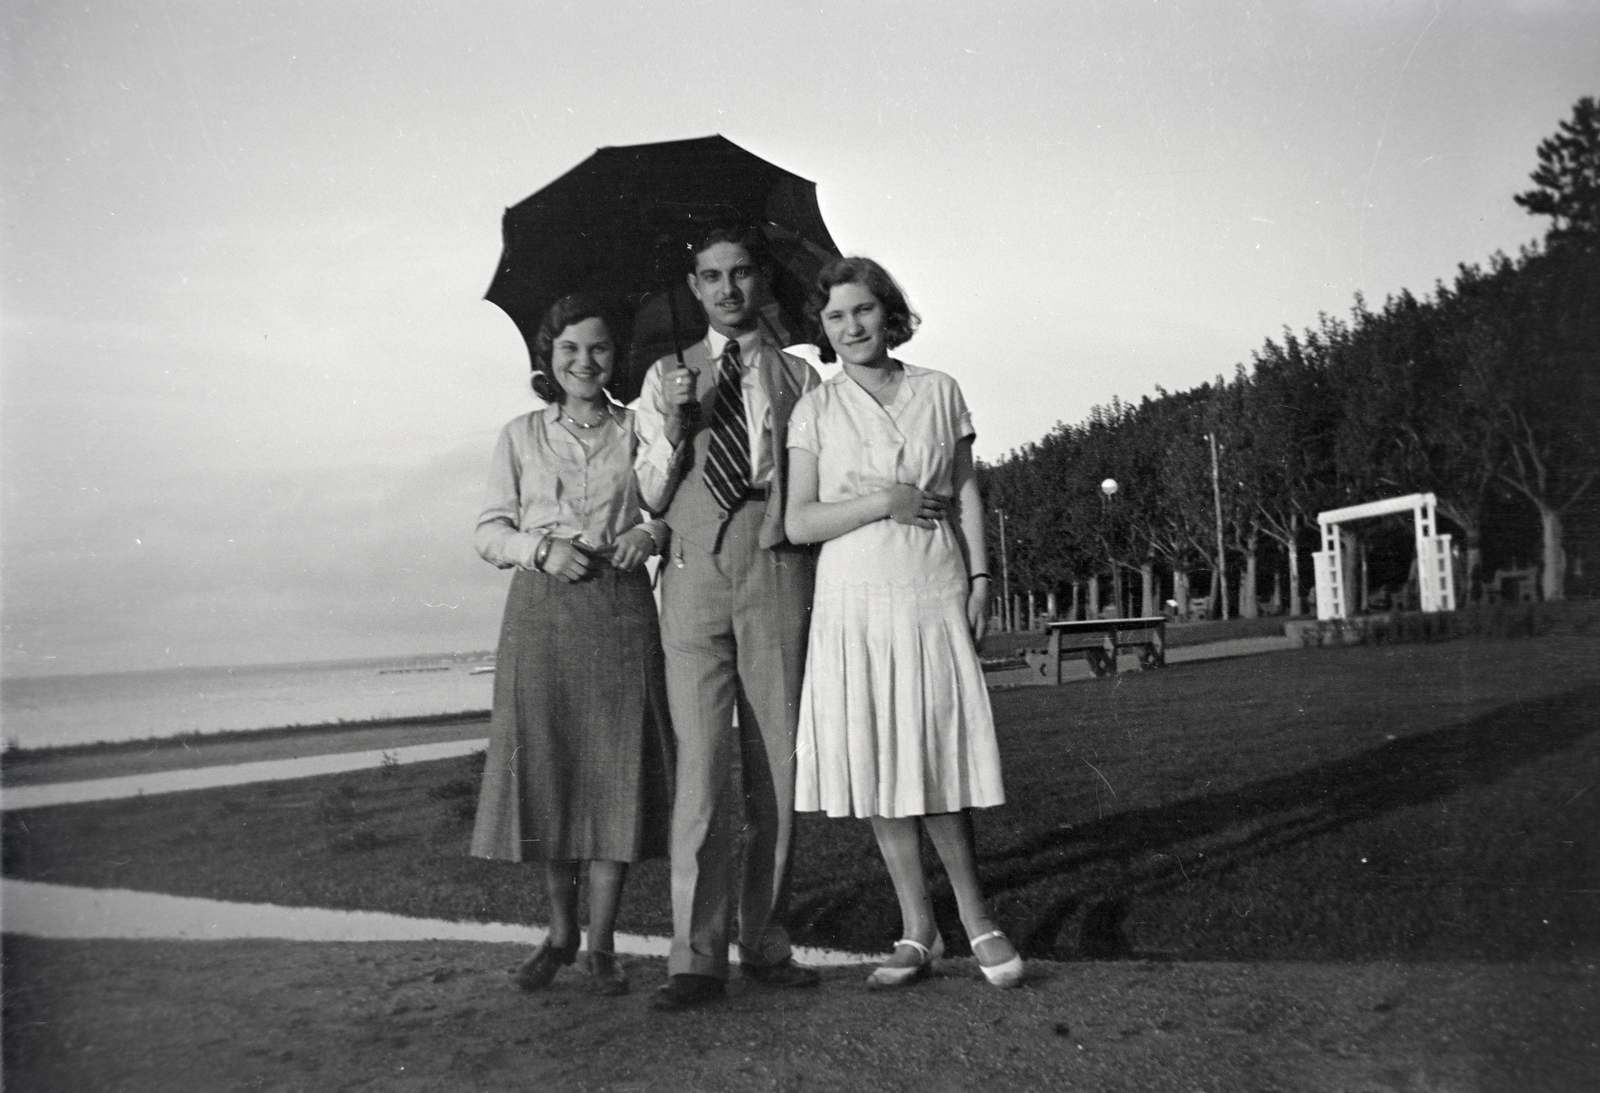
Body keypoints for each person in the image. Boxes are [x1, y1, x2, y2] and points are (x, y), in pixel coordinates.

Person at [784, 256, 1024, 990]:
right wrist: (881, 501)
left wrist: (981, 578)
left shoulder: (938, 390)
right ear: (821, 328)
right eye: (835, 316)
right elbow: (798, 522)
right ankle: (917, 929)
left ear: (887, 312)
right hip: (854, 598)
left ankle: (978, 919)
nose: (851, 326)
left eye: (862, 310)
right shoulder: (815, 409)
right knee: (879, 762)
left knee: (935, 758)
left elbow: (966, 493)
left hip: (930, 585)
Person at [634, 226, 822, 1010]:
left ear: (759, 281)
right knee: (705, 765)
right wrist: (677, 424)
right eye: (711, 276)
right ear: (695, 285)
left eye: (741, 273)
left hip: (774, 559)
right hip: (690, 567)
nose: (728, 288)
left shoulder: (801, 377)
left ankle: (766, 938)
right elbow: (647, 493)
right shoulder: (664, 376)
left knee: (780, 759)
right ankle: (696, 954)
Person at [470, 294, 674, 997]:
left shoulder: (639, 428)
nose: (585, 362)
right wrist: (540, 548)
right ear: (547, 358)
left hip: (620, 609)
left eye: (599, 349)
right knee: (552, 774)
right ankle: (559, 933)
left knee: (617, 773)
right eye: (570, 350)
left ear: (617, 359)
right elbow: (488, 531)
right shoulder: (521, 435)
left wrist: (649, 534)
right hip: (544, 614)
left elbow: (665, 511)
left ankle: (603, 943)